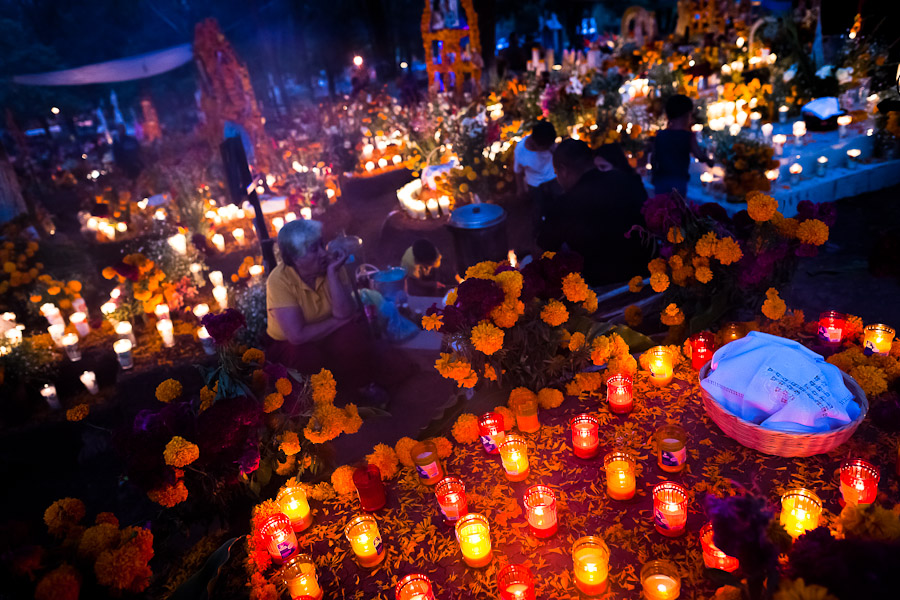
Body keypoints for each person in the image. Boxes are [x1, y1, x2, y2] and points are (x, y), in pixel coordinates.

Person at [265, 220, 399, 404]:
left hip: (326, 333)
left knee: (351, 337)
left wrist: (332, 273)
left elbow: (345, 311)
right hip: (291, 343)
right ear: (295, 258)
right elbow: (296, 336)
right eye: (314, 249)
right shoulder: (279, 281)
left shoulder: (332, 266)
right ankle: (317, 403)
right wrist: (338, 321)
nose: (323, 253)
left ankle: (363, 385)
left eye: (322, 244)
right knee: (305, 356)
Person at [539, 139, 650, 286]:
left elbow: (545, 246)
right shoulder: (628, 180)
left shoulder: (564, 205)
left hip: (605, 291)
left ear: (563, 170)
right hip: (648, 277)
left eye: (556, 173)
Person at [650, 94, 713, 197]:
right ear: (687, 115)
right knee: (677, 209)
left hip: (661, 180)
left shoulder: (660, 134)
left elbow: (654, 157)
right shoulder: (688, 136)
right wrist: (709, 161)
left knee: (661, 208)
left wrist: (653, 174)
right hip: (679, 181)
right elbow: (699, 155)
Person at [514, 121, 561, 233]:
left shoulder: (549, 144)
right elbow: (518, 171)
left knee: (560, 202)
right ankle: (539, 235)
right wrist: (520, 189)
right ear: (535, 143)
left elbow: (558, 154)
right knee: (538, 209)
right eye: (546, 147)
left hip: (553, 176)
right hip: (534, 182)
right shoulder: (520, 150)